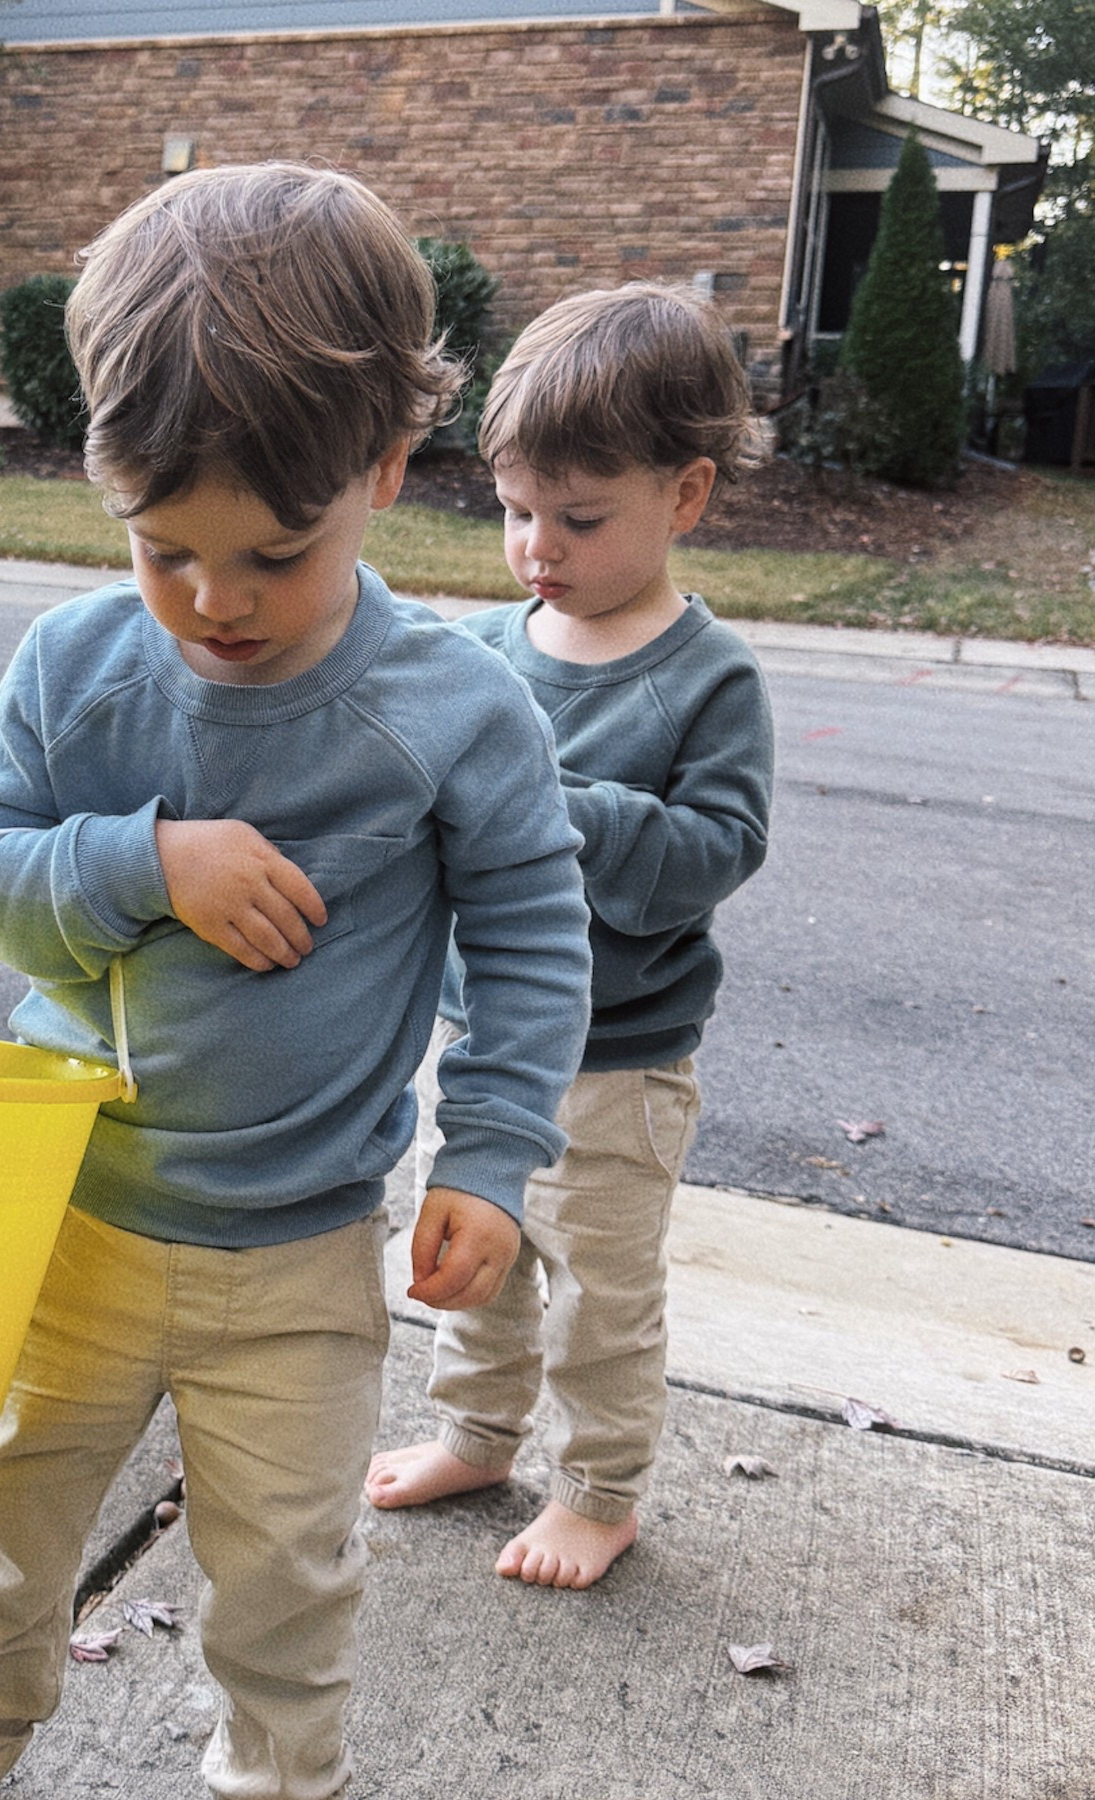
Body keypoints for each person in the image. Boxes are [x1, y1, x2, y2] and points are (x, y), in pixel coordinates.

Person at [0, 163, 592, 1800]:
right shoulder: (78, 668)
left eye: (274, 553)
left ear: (382, 470)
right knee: (11, 1516)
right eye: (159, 543)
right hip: (74, 1224)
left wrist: (492, 1157)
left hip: (294, 1255)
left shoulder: (453, 708)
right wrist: (143, 860)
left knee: (287, 1568)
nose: (214, 600)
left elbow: (530, 938)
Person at [366, 282, 774, 1592]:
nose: (539, 544)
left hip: (620, 1064)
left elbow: (710, 858)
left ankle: (601, 1489)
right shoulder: (485, 650)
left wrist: (564, 804)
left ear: (687, 496)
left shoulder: (706, 680)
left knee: (599, 1297)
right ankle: (477, 1436)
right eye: (516, 510)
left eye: (580, 518)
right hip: (488, 1049)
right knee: (474, 1262)